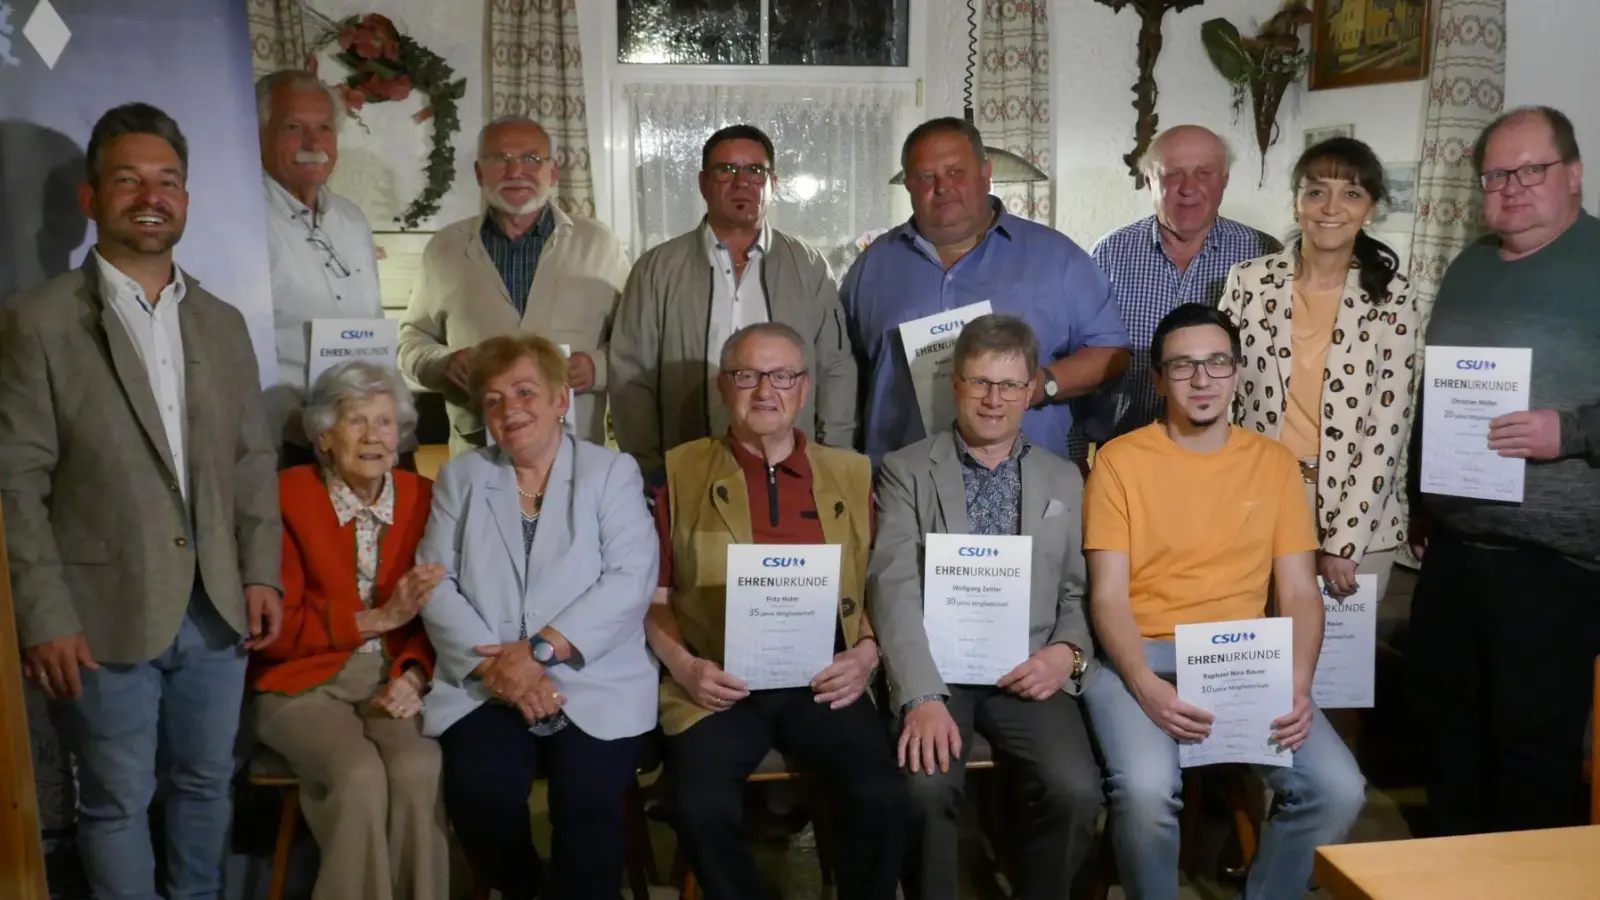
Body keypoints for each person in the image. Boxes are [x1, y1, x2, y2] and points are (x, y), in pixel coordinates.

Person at [0, 103, 282, 898]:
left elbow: (252, 460)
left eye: (168, 181)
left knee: (206, 787)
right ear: (91, 199)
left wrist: (261, 571)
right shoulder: (38, 322)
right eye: (129, 180)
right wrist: (44, 617)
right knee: (117, 802)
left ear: (186, 199)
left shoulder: (223, 323)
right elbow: (16, 482)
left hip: (218, 609)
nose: (151, 197)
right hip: (100, 614)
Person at [1081, 303, 1366, 900]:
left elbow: (1298, 591)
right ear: (1159, 380)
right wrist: (1144, 684)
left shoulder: (1273, 464)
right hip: (1141, 655)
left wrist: (1296, 683)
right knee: (1145, 792)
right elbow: (1107, 595)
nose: (1202, 379)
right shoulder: (1119, 461)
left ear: (1237, 371)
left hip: (1242, 661)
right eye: (1182, 366)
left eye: (1216, 363)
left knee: (1339, 790)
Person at [644, 322, 904, 900]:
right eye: (747, 375)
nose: (766, 390)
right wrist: (686, 668)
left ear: (804, 389)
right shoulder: (679, 474)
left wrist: (867, 654)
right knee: (697, 804)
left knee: (883, 795)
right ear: (723, 386)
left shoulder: (852, 474)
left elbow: (880, 588)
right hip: (718, 680)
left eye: (782, 376)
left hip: (825, 678)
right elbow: (655, 600)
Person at [1408, 105, 1600, 834]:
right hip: (1456, 549)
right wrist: (1422, 497)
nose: (1511, 187)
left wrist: (1568, 431)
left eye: (1530, 170)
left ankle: (1520, 881)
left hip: (1556, 563)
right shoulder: (1470, 267)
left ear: (1574, 174)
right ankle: (1445, 873)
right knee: (1444, 731)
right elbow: (1436, 392)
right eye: (1496, 175)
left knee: (1530, 753)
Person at [416, 334, 658, 899]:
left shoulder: (610, 472)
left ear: (560, 400)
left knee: (586, 800)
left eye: (525, 391)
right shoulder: (461, 478)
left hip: (592, 681)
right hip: (488, 681)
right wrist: (501, 669)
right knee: (480, 793)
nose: (510, 409)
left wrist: (540, 652)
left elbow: (630, 579)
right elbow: (434, 583)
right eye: (493, 399)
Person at [870, 314, 1100, 900]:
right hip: (938, 673)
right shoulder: (904, 470)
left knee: (1076, 791)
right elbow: (893, 587)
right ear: (955, 385)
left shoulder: (1065, 479)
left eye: (1009, 385)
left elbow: (1078, 591)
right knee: (923, 792)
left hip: (1030, 668)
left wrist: (1066, 653)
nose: (994, 400)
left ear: (1030, 390)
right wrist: (920, 695)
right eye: (980, 382)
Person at [248, 361, 448, 900]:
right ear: (323, 436)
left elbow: (443, 612)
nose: (373, 437)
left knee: (418, 767)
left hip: (390, 679)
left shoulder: (425, 498)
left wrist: (414, 673)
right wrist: (376, 620)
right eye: (355, 421)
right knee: (357, 776)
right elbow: (270, 630)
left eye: (385, 422)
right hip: (298, 683)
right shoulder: (284, 498)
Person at [841, 117, 1130, 462]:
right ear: (908, 185)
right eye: (926, 176)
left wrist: (1044, 384)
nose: (943, 187)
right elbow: (841, 370)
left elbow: (1112, 352)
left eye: (955, 172)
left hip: (1028, 479)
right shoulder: (871, 267)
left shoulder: (1057, 258)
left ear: (985, 172)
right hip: (903, 481)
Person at [1220, 137, 1420, 604]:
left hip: (1358, 514)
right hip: (1257, 500)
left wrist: (1344, 543)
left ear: (1371, 209)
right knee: (1258, 643)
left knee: (1332, 655)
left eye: (1351, 193)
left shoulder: (1392, 295)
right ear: (1297, 203)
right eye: (1316, 192)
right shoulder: (1249, 280)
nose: (1331, 208)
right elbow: (1223, 396)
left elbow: (1389, 426)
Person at [610, 125, 857, 478]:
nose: (742, 182)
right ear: (703, 183)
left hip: (792, 475)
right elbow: (630, 376)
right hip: (687, 472)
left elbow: (836, 368)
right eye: (726, 170)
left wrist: (831, 461)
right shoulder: (657, 269)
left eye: (755, 170)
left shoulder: (809, 266)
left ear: (773, 184)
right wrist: (648, 471)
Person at [399, 116, 629, 456]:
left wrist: (597, 366)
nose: (516, 171)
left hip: (576, 453)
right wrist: (443, 363)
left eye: (531, 158)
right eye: (500, 159)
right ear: (479, 173)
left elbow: (635, 342)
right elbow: (411, 340)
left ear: (553, 172)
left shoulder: (599, 244)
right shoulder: (445, 248)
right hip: (477, 454)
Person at [1076, 125, 1279, 461]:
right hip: (1126, 453)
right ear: (1149, 180)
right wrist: (1075, 458)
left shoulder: (1262, 254)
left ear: (1224, 180)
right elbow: (1079, 356)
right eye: (1173, 174)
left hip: (1230, 458)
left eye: (1204, 173)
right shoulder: (1110, 253)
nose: (1188, 188)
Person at [255, 69, 393, 467]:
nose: (313, 143)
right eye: (294, 127)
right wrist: (297, 425)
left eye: (324, 129)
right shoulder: (241, 221)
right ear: (259, 134)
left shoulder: (353, 221)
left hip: (367, 438)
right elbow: (232, 352)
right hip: (285, 443)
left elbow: (373, 322)